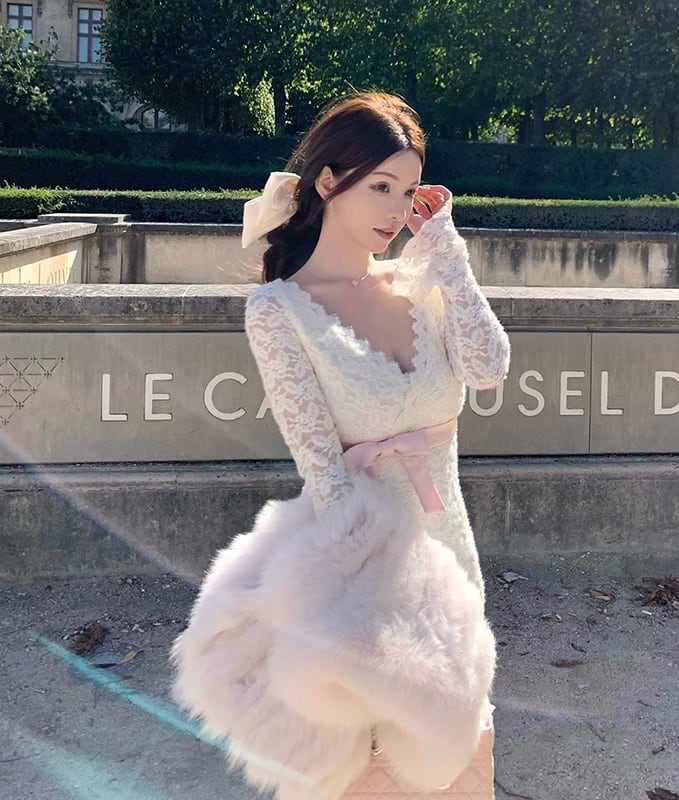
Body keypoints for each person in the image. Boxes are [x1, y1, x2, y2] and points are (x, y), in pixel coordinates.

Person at [172, 91, 510, 800]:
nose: (396, 209)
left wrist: (447, 252)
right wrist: (370, 608)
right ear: (328, 181)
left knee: (461, 763)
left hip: (452, 553)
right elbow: (322, 470)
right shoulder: (278, 309)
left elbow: (487, 368)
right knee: (375, 770)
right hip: (365, 570)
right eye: (380, 186)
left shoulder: (419, 280)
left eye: (409, 191)